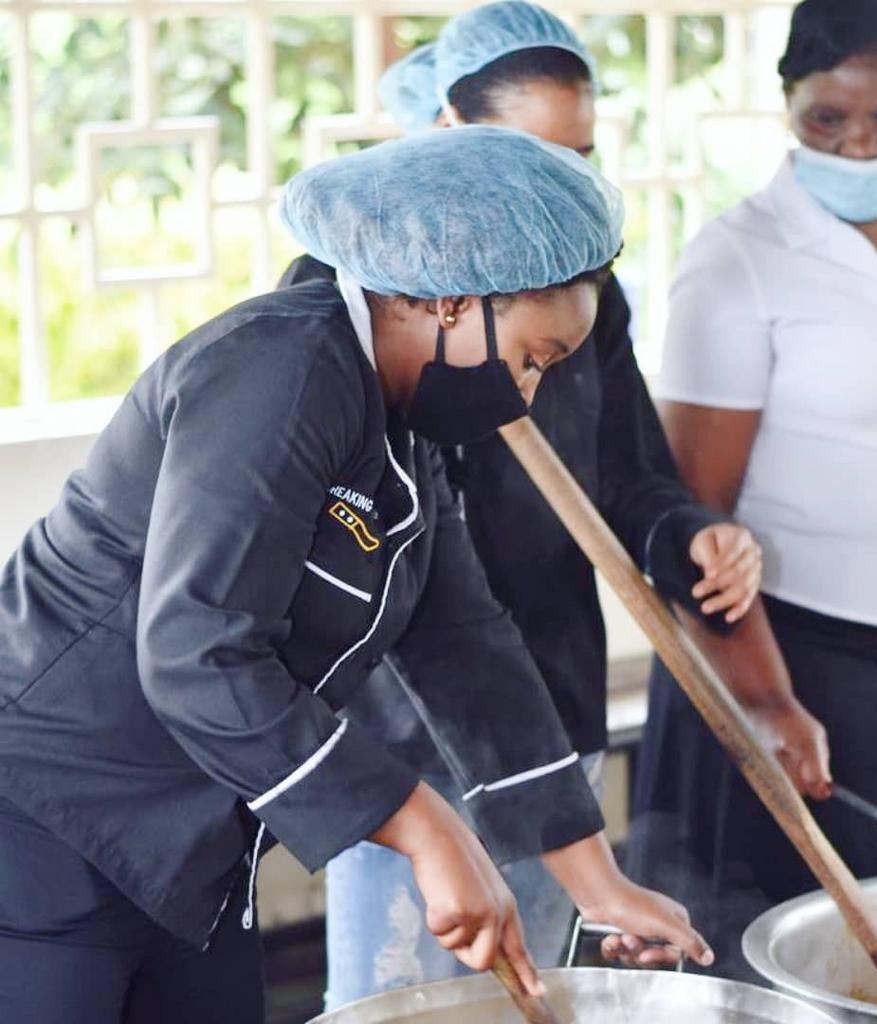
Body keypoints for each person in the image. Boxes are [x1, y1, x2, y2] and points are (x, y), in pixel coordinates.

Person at [0, 126, 719, 1024]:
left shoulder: (402, 423)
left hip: (186, 851)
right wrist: (422, 822)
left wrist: (596, 879)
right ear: (455, 301)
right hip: (44, 828)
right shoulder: (281, 370)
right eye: (533, 357)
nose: (529, 393)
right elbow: (195, 650)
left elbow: (464, 642)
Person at [277, 3, 767, 1009]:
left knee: (532, 1000)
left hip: (550, 706)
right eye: (532, 154)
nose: (558, 191)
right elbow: (414, 589)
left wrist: (690, 539)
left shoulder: (585, 288)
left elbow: (628, 477)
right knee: (405, 1003)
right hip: (409, 742)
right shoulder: (361, 302)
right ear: (447, 134)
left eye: (581, 156)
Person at [632, 0, 877, 977]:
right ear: (787, 107)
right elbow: (693, 518)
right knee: (798, 960)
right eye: (827, 120)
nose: (860, 145)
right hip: (792, 662)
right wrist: (766, 701)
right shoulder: (736, 259)